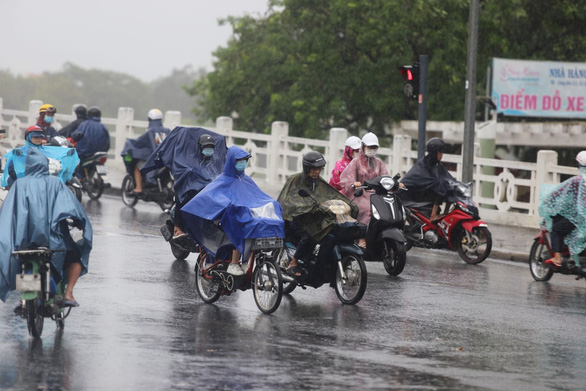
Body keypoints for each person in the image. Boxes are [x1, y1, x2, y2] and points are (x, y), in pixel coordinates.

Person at [0, 150, 92, 306]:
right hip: (54, 241)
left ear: (27, 166)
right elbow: (72, 207)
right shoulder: (56, 183)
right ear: (45, 165)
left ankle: (26, 296)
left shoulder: (19, 185)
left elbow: (7, 213)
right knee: (77, 258)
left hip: (23, 241)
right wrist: (79, 223)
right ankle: (68, 293)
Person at [182, 146, 284, 275]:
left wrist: (271, 203)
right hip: (224, 218)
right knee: (240, 228)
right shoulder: (222, 180)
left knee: (256, 224)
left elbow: (258, 197)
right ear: (232, 161)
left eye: (244, 160)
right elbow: (211, 198)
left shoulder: (246, 180)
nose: (242, 163)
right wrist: (229, 205)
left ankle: (247, 260)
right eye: (239, 160)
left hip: (242, 214)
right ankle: (233, 263)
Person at [278, 151, 358, 278]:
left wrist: (349, 204)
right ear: (306, 168)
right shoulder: (295, 180)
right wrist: (309, 208)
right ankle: (293, 263)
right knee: (311, 233)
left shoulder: (319, 182)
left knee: (331, 237)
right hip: (295, 220)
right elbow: (288, 202)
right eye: (314, 169)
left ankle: (321, 269)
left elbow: (332, 194)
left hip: (313, 219)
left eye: (319, 169)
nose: (317, 171)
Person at [141, 127, 227, 240]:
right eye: (206, 147)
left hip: (208, 191)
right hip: (190, 189)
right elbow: (183, 170)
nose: (209, 149)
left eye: (211, 147)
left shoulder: (214, 162)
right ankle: (177, 228)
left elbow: (220, 173)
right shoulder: (190, 159)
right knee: (183, 198)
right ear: (200, 147)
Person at [339, 132, 389, 247]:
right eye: (370, 147)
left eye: (374, 147)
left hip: (377, 195)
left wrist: (391, 184)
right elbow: (346, 178)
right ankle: (362, 237)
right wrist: (353, 183)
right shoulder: (355, 162)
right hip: (359, 194)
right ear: (363, 146)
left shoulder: (379, 163)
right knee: (368, 209)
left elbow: (385, 176)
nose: (372, 149)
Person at [539, 151, 586, 267]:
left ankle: (557, 257)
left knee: (556, 229)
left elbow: (558, 193)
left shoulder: (577, 180)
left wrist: (547, 200)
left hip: (580, 219)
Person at [1, 125, 79, 189]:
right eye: (35, 137)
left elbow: (57, 152)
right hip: (21, 184)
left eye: (40, 137)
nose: (38, 139)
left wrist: (68, 152)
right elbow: (12, 171)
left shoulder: (45, 149)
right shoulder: (19, 152)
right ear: (28, 137)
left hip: (41, 183)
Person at [399, 137, 455, 223]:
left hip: (424, 194)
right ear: (434, 153)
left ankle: (446, 213)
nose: (441, 155)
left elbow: (447, 177)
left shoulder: (436, 165)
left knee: (450, 186)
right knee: (441, 185)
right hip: (413, 197)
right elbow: (433, 181)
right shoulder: (423, 165)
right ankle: (433, 216)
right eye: (439, 153)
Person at [120, 109, 170, 195]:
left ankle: (138, 188)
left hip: (155, 160)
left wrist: (129, 143)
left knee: (137, 166)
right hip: (166, 159)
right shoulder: (167, 131)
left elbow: (139, 142)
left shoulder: (150, 131)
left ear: (150, 119)